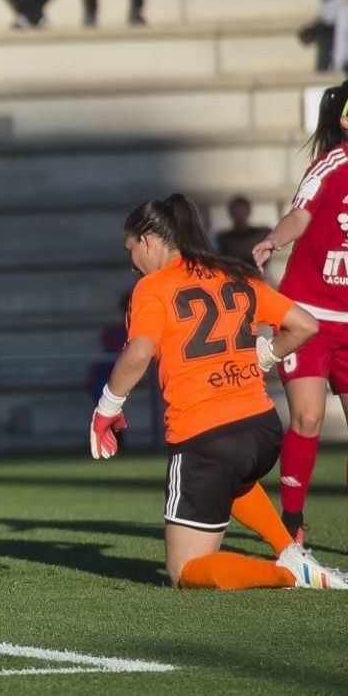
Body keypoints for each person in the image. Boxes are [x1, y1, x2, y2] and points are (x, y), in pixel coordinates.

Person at [91, 192, 346, 590]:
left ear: (148, 241)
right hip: (262, 431)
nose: (131, 262)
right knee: (234, 476)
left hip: (205, 436)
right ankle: (289, 549)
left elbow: (138, 352)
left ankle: (286, 573)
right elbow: (306, 325)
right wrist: (264, 355)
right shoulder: (234, 273)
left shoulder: (153, 287)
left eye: (131, 250)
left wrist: (107, 407)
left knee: (185, 572)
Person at [252, 80, 348, 545]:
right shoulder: (330, 165)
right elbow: (301, 215)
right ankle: (292, 520)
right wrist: (275, 238)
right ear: (345, 121)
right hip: (308, 315)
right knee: (307, 419)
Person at [215, 196, 271, 267]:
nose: (239, 215)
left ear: (248, 211)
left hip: (259, 274)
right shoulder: (223, 239)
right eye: (236, 211)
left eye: (241, 210)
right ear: (230, 213)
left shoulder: (262, 234)